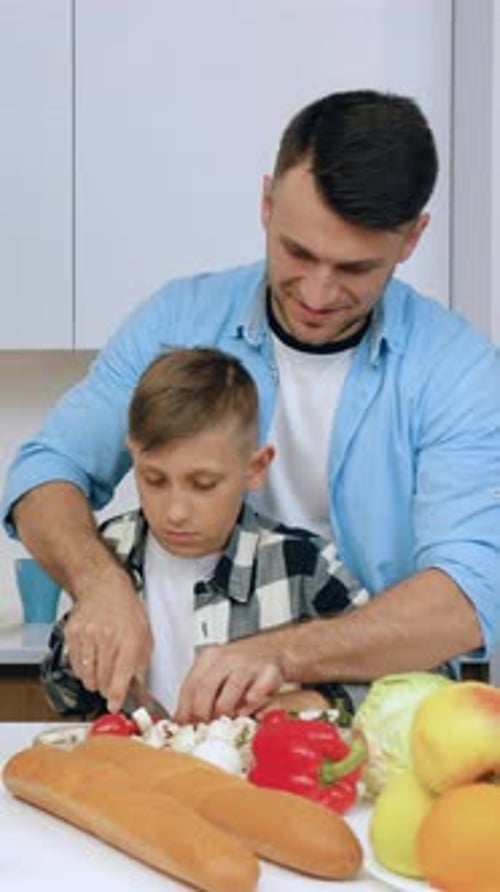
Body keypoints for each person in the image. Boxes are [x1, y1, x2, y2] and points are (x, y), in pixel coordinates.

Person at [3, 89, 499, 722]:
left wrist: (281, 657)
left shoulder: (458, 372)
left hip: (372, 731)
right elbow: (45, 473)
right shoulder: (177, 319)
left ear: (411, 239)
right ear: (266, 203)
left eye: (354, 268)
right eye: (298, 252)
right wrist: (101, 588)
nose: (319, 293)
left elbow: (470, 595)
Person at [41, 347, 369, 719]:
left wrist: (313, 704)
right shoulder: (110, 550)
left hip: (255, 775)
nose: (176, 512)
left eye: (203, 483)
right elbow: (64, 697)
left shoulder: (304, 566)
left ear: (256, 467)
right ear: (133, 455)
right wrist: (81, 656)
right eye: (154, 479)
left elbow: (401, 680)